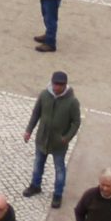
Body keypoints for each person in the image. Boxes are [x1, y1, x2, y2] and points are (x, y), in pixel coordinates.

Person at [22, 71, 81, 208]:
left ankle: (58, 194)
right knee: (38, 165)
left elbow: (76, 122)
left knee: (59, 169)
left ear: (65, 85)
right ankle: (35, 185)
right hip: (42, 139)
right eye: (55, 84)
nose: (56, 87)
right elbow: (36, 113)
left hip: (58, 144)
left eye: (60, 85)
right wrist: (29, 130)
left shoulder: (72, 102)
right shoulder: (44, 95)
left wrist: (66, 138)